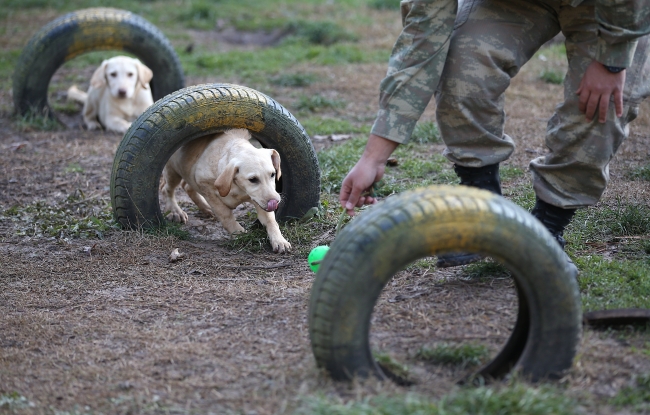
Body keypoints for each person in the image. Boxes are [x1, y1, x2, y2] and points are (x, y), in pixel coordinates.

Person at [339, 0, 650, 268]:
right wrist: (374, 156)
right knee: (460, 62)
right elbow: (422, 40)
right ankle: (485, 215)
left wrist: (612, 58)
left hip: (612, 10)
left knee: (604, 105)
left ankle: (546, 229)